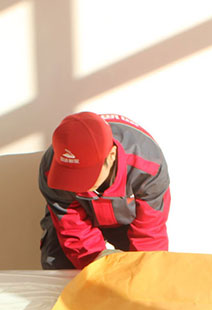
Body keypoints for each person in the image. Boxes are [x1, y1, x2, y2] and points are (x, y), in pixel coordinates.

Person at [38, 112, 171, 269]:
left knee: (144, 265)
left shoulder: (148, 165)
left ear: (111, 155)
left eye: (85, 174)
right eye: (71, 175)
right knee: (58, 264)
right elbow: (72, 228)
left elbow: (149, 236)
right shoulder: (51, 170)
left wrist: (143, 272)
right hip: (79, 214)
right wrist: (97, 264)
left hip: (129, 217)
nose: (77, 184)